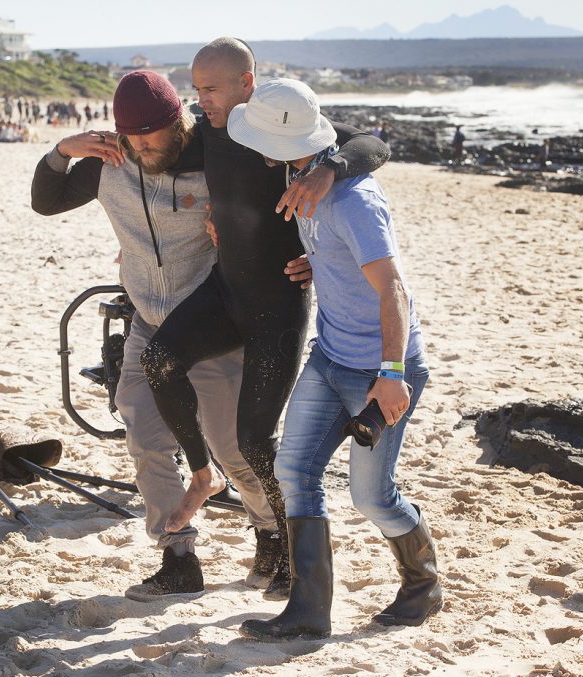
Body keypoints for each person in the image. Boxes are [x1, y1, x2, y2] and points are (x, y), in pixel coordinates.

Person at [32, 71, 305, 601]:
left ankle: (272, 534)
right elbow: (47, 200)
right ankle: (178, 556)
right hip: (147, 323)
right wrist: (62, 150)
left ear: (178, 120)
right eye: (132, 137)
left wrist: (299, 255)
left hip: (211, 321)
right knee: (144, 435)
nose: (142, 147)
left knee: (232, 446)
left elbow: (276, 203)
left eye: (153, 136)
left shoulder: (216, 153)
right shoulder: (109, 164)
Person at [139, 37, 390, 597]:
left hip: (278, 304)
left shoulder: (280, 128)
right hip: (225, 291)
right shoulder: (208, 131)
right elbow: (156, 151)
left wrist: (330, 170)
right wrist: (93, 145)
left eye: (210, 89)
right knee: (159, 360)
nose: (198, 99)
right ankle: (202, 475)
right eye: (195, 87)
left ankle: (280, 545)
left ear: (246, 84)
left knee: (255, 441)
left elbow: (372, 144)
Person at [228, 78, 442, 641]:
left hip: (382, 371)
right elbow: (341, 257)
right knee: (294, 470)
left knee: (372, 496)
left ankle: (422, 585)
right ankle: (308, 610)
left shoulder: (352, 199)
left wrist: (393, 376)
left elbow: (393, 288)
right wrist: (315, 263)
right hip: (329, 358)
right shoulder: (303, 178)